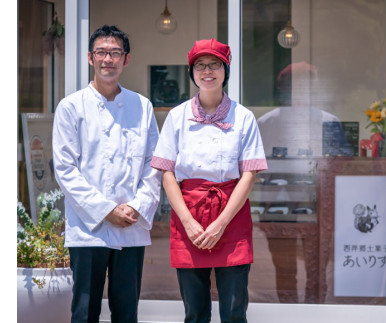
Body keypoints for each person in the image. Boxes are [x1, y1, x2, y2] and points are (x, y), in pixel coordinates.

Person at [151, 38, 267, 323]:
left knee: (234, 311)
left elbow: (249, 175)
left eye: (215, 64)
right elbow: (167, 173)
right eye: (200, 65)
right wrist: (189, 222)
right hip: (187, 212)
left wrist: (221, 223)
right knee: (194, 311)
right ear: (192, 72)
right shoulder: (177, 116)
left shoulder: (244, 117)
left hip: (232, 213)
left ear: (226, 70)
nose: (207, 71)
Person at [52, 25, 161, 323]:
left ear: (126, 59)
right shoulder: (71, 107)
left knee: (127, 312)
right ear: (90, 57)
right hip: (89, 229)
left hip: (131, 224)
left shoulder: (143, 106)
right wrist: (105, 210)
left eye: (115, 53)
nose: (108, 59)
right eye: (101, 52)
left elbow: (155, 164)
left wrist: (136, 206)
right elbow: (65, 169)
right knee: (85, 310)